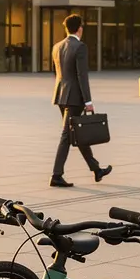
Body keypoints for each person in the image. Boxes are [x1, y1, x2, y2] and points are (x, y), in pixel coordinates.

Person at [50, 14, 113, 188]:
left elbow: (57, 73)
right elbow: (81, 76)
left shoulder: (57, 46)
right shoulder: (80, 47)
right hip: (74, 98)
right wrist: (88, 101)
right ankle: (56, 175)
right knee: (67, 135)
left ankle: (96, 169)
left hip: (61, 95)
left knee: (77, 133)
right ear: (79, 28)